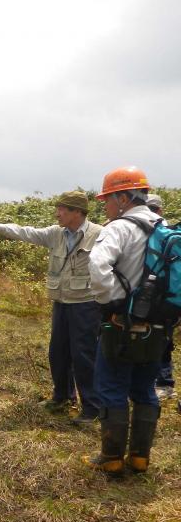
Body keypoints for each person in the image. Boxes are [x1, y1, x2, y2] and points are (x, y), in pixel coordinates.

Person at [0, 191, 103, 424]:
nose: (57, 213)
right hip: (61, 302)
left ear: (77, 212)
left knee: (84, 355)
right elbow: (25, 232)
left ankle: (92, 407)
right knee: (58, 352)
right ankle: (62, 397)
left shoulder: (99, 235)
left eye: (62, 209)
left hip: (86, 305)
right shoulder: (55, 234)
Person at [84, 166, 163, 475]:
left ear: (122, 197)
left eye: (107, 199)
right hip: (158, 327)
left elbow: (97, 264)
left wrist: (106, 302)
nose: (105, 206)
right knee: (145, 389)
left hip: (122, 324)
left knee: (111, 387)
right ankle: (140, 458)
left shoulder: (119, 227)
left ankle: (112, 458)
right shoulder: (164, 225)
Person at [145, 193, 176, 401]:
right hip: (170, 295)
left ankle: (159, 382)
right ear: (161, 210)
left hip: (150, 293)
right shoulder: (171, 231)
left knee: (150, 337)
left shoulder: (149, 230)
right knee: (164, 337)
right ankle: (164, 383)